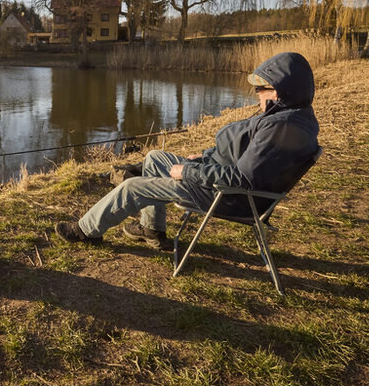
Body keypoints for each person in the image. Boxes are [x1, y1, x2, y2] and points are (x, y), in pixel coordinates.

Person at [55, 51, 320, 249]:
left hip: (226, 196)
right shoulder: (290, 116)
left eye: (261, 88)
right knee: (154, 157)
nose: (257, 94)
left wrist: (190, 171)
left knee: (132, 186)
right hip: (220, 182)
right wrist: (204, 158)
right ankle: (152, 231)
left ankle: (85, 231)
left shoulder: (281, 128)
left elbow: (244, 179)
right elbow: (242, 154)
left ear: (281, 90)